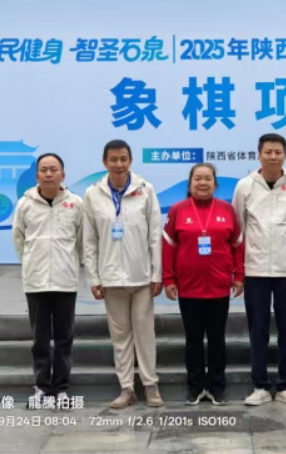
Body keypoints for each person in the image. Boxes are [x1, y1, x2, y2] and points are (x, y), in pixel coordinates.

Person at [83, 140, 164, 409]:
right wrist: (94, 278)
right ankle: (127, 388)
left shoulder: (145, 189)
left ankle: (151, 385)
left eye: (123, 159)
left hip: (142, 276)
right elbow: (89, 240)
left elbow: (155, 234)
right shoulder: (93, 194)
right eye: (113, 159)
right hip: (111, 278)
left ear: (130, 161)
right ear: (104, 162)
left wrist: (157, 273)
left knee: (145, 333)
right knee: (120, 337)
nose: (119, 164)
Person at [232, 133, 286, 406]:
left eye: (278, 152)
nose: (273, 157)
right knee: (258, 330)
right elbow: (238, 227)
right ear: (259, 154)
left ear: (285, 155)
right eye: (268, 152)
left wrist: (283, 246)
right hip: (256, 270)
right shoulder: (245, 186)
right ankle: (260, 385)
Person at [162, 163, 245, 406]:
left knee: (217, 340)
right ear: (190, 184)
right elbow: (168, 247)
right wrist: (168, 278)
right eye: (197, 178)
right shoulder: (178, 210)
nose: (202, 183)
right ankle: (195, 387)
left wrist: (239, 275)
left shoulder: (227, 210)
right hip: (189, 288)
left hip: (219, 287)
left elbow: (238, 245)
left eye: (208, 178)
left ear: (215, 184)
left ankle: (217, 387)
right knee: (193, 340)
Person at [12, 153, 84, 410]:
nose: (49, 174)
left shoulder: (75, 203)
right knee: (39, 339)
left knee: (65, 338)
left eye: (54, 169)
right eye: (44, 170)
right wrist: (32, 262)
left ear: (63, 175)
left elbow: (81, 241)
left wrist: (70, 265)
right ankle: (42, 387)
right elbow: (19, 239)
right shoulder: (25, 204)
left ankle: (61, 388)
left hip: (65, 282)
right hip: (36, 282)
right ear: (37, 176)